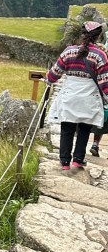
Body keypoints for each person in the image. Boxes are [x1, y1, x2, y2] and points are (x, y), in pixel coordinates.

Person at [46, 20, 108, 171]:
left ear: (82, 34)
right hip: (89, 97)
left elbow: (54, 73)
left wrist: (48, 79)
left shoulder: (69, 51)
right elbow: (104, 81)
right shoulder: (100, 56)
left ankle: (65, 162)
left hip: (70, 95)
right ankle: (78, 160)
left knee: (67, 127)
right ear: (98, 36)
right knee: (85, 128)